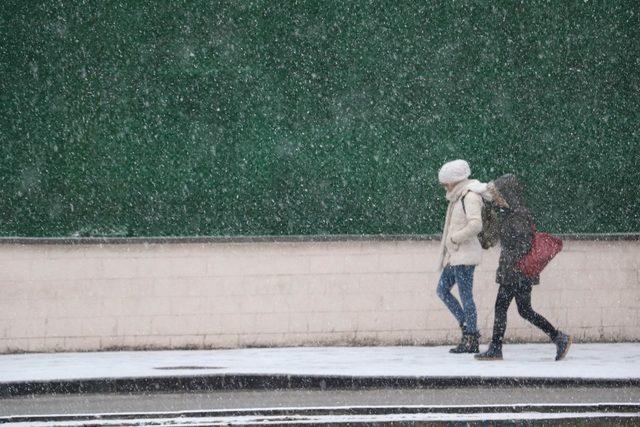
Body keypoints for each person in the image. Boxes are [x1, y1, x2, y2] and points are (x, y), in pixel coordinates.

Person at [475, 174, 572, 361]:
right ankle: (559, 337)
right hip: (518, 272)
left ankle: (496, 348)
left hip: (515, 272)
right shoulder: (512, 213)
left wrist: (509, 265)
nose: (496, 197)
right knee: (525, 310)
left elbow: (522, 246)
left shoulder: (518, 216)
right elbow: (493, 239)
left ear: (508, 194)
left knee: (501, 307)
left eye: (498, 193)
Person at [436, 159, 488, 353]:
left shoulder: (470, 196)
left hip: (465, 256)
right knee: (442, 290)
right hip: (456, 255)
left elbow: (476, 225)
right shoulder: (458, 196)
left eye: (446, 182)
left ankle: (471, 338)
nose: (445, 186)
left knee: (466, 296)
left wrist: (455, 239)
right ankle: (467, 328)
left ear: (455, 180)